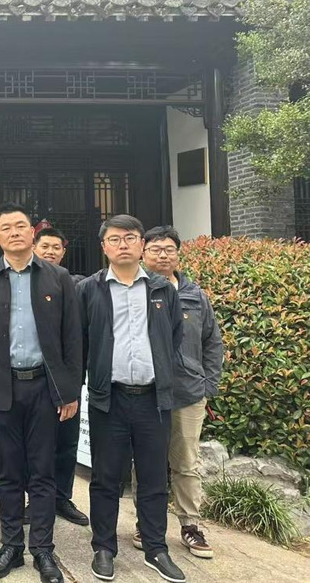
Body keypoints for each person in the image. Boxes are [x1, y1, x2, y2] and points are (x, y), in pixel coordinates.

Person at [0, 204, 81, 583]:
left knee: (43, 472)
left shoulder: (58, 277)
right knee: (10, 472)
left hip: (44, 388)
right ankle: (12, 546)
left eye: (20, 226)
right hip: (2, 388)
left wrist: (69, 391)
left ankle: (43, 549)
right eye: (7, 228)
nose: (15, 232)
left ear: (32, 233)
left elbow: (72, 338)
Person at [80, 215, 185, 583]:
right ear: (104, 247)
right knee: (106, 477)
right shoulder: (90, 289)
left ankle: (156, 548)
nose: (122, 244)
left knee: (155, 477)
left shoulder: (162, 289)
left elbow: (173, 337)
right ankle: (103, 547)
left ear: (142, 244)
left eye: (129, 238)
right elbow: (80, 340)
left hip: (153, 399)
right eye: (114, 239)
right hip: (109, 399)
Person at [140, 226, 222, 560]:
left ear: (178, 253)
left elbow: (212, 342)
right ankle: (147, 524)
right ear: (144, 253)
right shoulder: (136, 289)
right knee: (147, 462)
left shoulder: (194, 294)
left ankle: (190, 524)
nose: (163, 255)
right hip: (145, 391)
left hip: (188, 392)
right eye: (156, 249)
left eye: (169, 249)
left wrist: (208, 385)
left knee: (186, 462)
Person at [31, 226, 89, 527]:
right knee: (35, 444)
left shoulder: (74, 284)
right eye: (45, 246)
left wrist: (74, 382)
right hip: (32, 377)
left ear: (63, 252)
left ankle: (62, 497)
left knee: (66, 441)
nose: (50, 251)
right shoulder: (22, 281)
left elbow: (78, 336)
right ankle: (35, 499)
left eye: (56, 247)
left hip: (66, 377)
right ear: (34, 248)